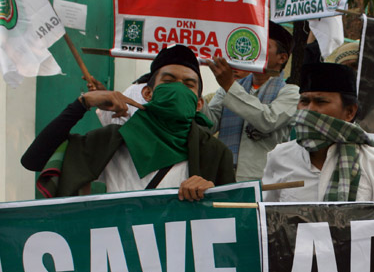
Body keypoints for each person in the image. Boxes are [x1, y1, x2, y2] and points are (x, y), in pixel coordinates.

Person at [21, 44, 234, 200]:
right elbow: (34, 160)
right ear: (148, 93)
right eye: (168, 82)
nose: (178, 89)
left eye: (188, 85)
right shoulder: (113, 141)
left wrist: (211, 192)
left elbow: (232, 220)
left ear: (198, 105)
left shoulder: (214, 153)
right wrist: (83, 103)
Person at [262, 62, 374, 203]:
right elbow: (265, 216)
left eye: (320, 102)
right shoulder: (280, 157)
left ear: (349, 112)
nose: (309, 110)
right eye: (304, 101)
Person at [203, 21, 300, 182]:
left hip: (263, 180)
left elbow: (268, 120)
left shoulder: (291, 93)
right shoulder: (231, 87)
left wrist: (229, 86)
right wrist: (194, 97)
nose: (255, 51)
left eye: (263, 46)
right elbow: (209, 124)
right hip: (223, 177)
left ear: (281, 58)